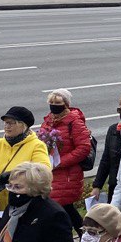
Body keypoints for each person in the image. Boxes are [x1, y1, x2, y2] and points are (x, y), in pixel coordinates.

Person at [39, 88, 93, 233]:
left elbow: (83, 148)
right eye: (51, 102)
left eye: (57, 102)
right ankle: (82, 236)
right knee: (63, 209)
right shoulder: (48, 121)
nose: (53, 105)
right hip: (51, 172)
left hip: (68, 174)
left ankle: (82, 236)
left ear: (66, 104)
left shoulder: (74, 121)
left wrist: (60, 162)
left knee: (64, 208)